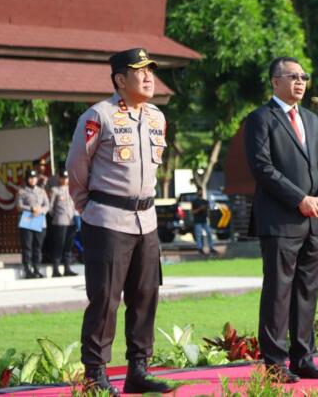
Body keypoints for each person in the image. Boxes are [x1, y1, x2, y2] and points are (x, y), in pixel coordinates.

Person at [66, 48, 172, 395]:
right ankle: (95, 373)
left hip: (147, 220)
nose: (148, 77)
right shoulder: (99, 116)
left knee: (145, 296)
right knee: (105, 299)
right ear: (120, 80)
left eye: (150, 71)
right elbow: (77, 166)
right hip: (108, 220)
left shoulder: (157, 117)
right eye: (139, 71)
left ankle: (137, 370)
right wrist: (87, 205)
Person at [244, 57, 318, 383]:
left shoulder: (311, 120)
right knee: (278, 293)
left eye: (304, 77)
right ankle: (274, 362)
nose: (300, 82)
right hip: (281, 221)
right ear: (275, 81)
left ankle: (303, 358)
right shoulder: (260, 119)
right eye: (293, 76)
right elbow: (262, 168)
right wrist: (300, 199)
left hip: (314, 221)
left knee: (307, 293)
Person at [16, 168, 49, 279]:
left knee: (37, 247)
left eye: (34, 178)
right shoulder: (22, 191)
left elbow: (47, 205)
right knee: (27, 246)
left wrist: (40, 210)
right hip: (27, 219)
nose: (33, 180)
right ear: (27, 179)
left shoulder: (41, 191)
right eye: (30, 178)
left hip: (39, 220)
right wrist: (31, 208)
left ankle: (36, 269)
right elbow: (19, 206)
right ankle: (27, 270)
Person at [47, 169, 79, 277]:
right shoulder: (55, 190)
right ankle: (56, 269)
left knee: (68, 246)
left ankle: (67, 268)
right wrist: (57, 216)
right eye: (63, 178)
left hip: (71, 221)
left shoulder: (72, 189)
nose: (65, 180)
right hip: (60, 221)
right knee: (59, 246)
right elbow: (50, 208)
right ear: (59, 178)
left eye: (66, 178)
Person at [191, 188, 215, 255]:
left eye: (201, 192)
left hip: (204, 220)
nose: (200, 193)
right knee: (199, 235)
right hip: (197, 221)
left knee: (209, 233)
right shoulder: (195, 202)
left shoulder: (205, 201)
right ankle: (200, 248)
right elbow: (193, 212)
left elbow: (208, 211)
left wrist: (208, 213)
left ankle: (211, 247)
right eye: (199, 192)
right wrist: (200, 209)